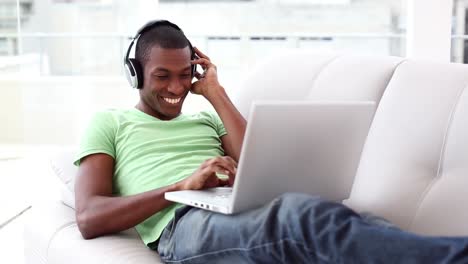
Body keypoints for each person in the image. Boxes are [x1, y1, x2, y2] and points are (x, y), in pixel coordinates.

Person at [74, 20, 468, 264]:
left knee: (358, 218)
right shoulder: (109, 122)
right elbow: (89, 217)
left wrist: (214, 91)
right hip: (181, 225)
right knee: (301, 217)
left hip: (239, 207)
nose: (177, 87)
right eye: (162, 75)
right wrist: (182, 188)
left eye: (185, 74)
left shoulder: (207, 118)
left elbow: (255, 160)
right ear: (135, 73)